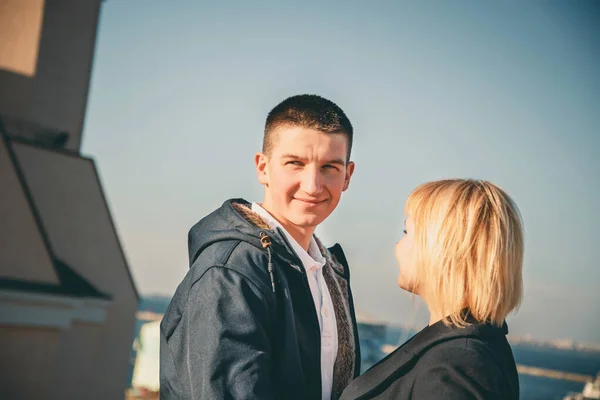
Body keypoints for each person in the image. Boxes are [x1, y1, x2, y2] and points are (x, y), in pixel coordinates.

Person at [160, 94, 361, 400]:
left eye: (329, 168)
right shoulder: (230, 272)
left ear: (347, 176)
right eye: (295, 163)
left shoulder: (328, 271)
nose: (312, 185)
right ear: (263, 167)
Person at [340, 179, 523, 400]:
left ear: (442, 248)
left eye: (407, 231)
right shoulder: (470, 350)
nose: (399, 245)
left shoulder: (456, 368)